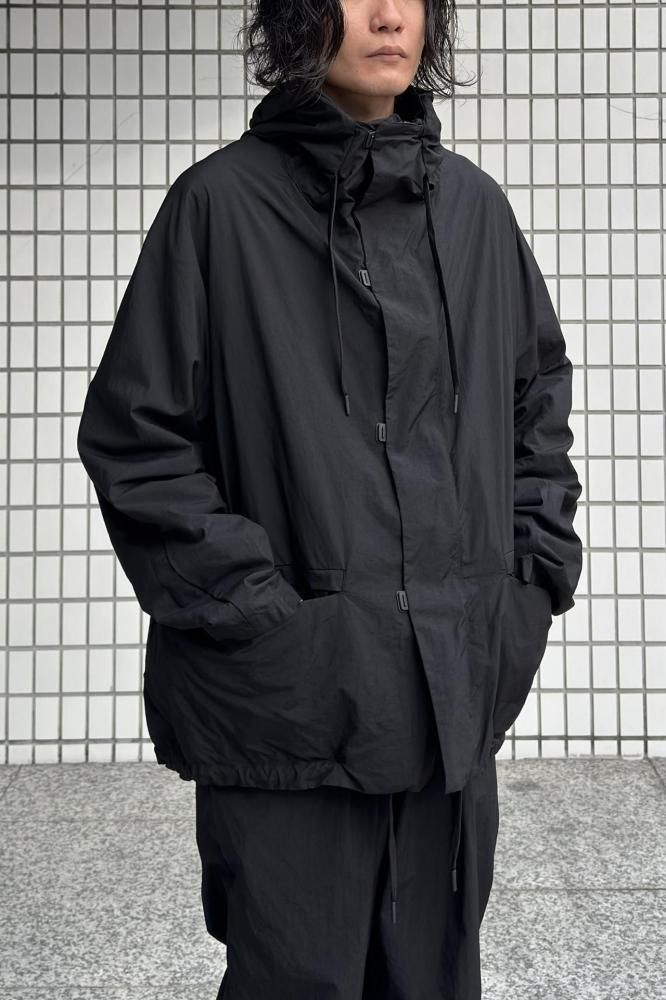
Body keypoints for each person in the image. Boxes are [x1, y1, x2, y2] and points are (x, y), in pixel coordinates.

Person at [76, 1, 583, 997]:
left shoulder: (474, 210)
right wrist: (270, 621)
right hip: (289, 718)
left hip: (447, 706)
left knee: (434, 979)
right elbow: (137, 440)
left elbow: (538, 409)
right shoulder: (218, 208)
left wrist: (525, 587)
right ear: (299, 15)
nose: (389, 15)